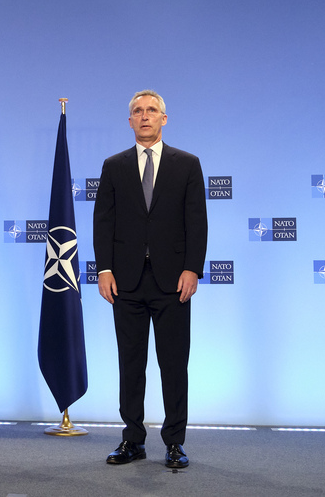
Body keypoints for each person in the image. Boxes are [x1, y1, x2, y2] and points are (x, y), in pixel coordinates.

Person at [93, 90, 207, 469]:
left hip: (173, 281)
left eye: (152, 111)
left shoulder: (187, 164)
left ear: (164, 119)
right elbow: (103, 222)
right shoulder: (113, 165)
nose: (145, 117)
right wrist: (104, 269)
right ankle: (133, 439)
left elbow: (197, 222)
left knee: (174, 364)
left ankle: (175, 442)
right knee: (131, 364)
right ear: (130, 121)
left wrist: (193, 268)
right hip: (125, 282)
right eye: (138, 112)